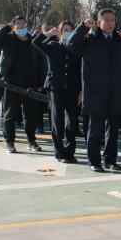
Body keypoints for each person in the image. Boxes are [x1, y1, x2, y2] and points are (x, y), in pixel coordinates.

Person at [69, 9, 121, 172]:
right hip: (96, 92)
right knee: (95, 130)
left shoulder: (119, 41)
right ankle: (94, 161)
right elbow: (72, 44)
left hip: (116, 91)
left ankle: (110, 160)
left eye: (113, 20)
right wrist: (83, 27)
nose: (111, 23)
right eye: (107, 20)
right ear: (99, 23)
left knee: (113, 130)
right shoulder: (90, 40)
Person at [0, 17, 48, 154]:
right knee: (10, 114)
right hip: (11, 83)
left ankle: (31, 140)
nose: (21, 26)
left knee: (30, 115)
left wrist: (40, 82)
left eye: (23, 23)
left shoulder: (33, 40)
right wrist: (7, 27)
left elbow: (42, 61)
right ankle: (10, 142)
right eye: (17, 24)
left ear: (27, 25)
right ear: (13, 26)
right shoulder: (8, 39)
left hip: (31, 84)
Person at [32, 22, 83, 163]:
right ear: (59, 32)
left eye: (70, 29)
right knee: (57, 120)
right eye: (65, 29)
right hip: (56, 88)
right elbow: (35, 42)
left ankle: (70, 152)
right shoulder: (52, 46)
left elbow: (81, 71)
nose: (68, 31)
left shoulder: (76, 48)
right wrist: (49, 34)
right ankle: (60, 153)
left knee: (71, 121)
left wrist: (81, 91)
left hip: (73, 88)